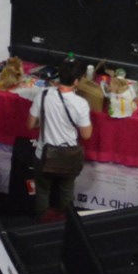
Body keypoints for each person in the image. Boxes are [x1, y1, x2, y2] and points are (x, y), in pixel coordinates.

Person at [26, 63, 91, 219]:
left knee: (42, 191)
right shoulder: (81, 104)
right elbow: (86, 134)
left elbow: (29, 125)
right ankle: (65, 225)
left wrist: (44, 123)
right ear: (76, 81)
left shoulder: (43, 95)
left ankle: (41, 224)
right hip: (68, 157)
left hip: (43, 154)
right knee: (66, 191)